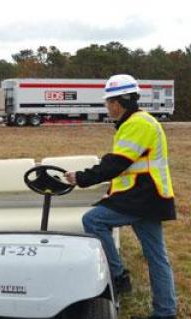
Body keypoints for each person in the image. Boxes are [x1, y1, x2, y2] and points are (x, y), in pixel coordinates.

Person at [64, 74, 177, 319]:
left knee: (93, 220)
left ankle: (118, 276)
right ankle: (165, 312)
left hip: (140, 198)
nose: (107, 106)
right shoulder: (137, 122)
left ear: (119, 102)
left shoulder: (138, 124)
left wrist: (81, 178)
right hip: (147, 198)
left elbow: (116, 164)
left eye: (108, 102)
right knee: (157, 257)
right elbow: (120, 162)